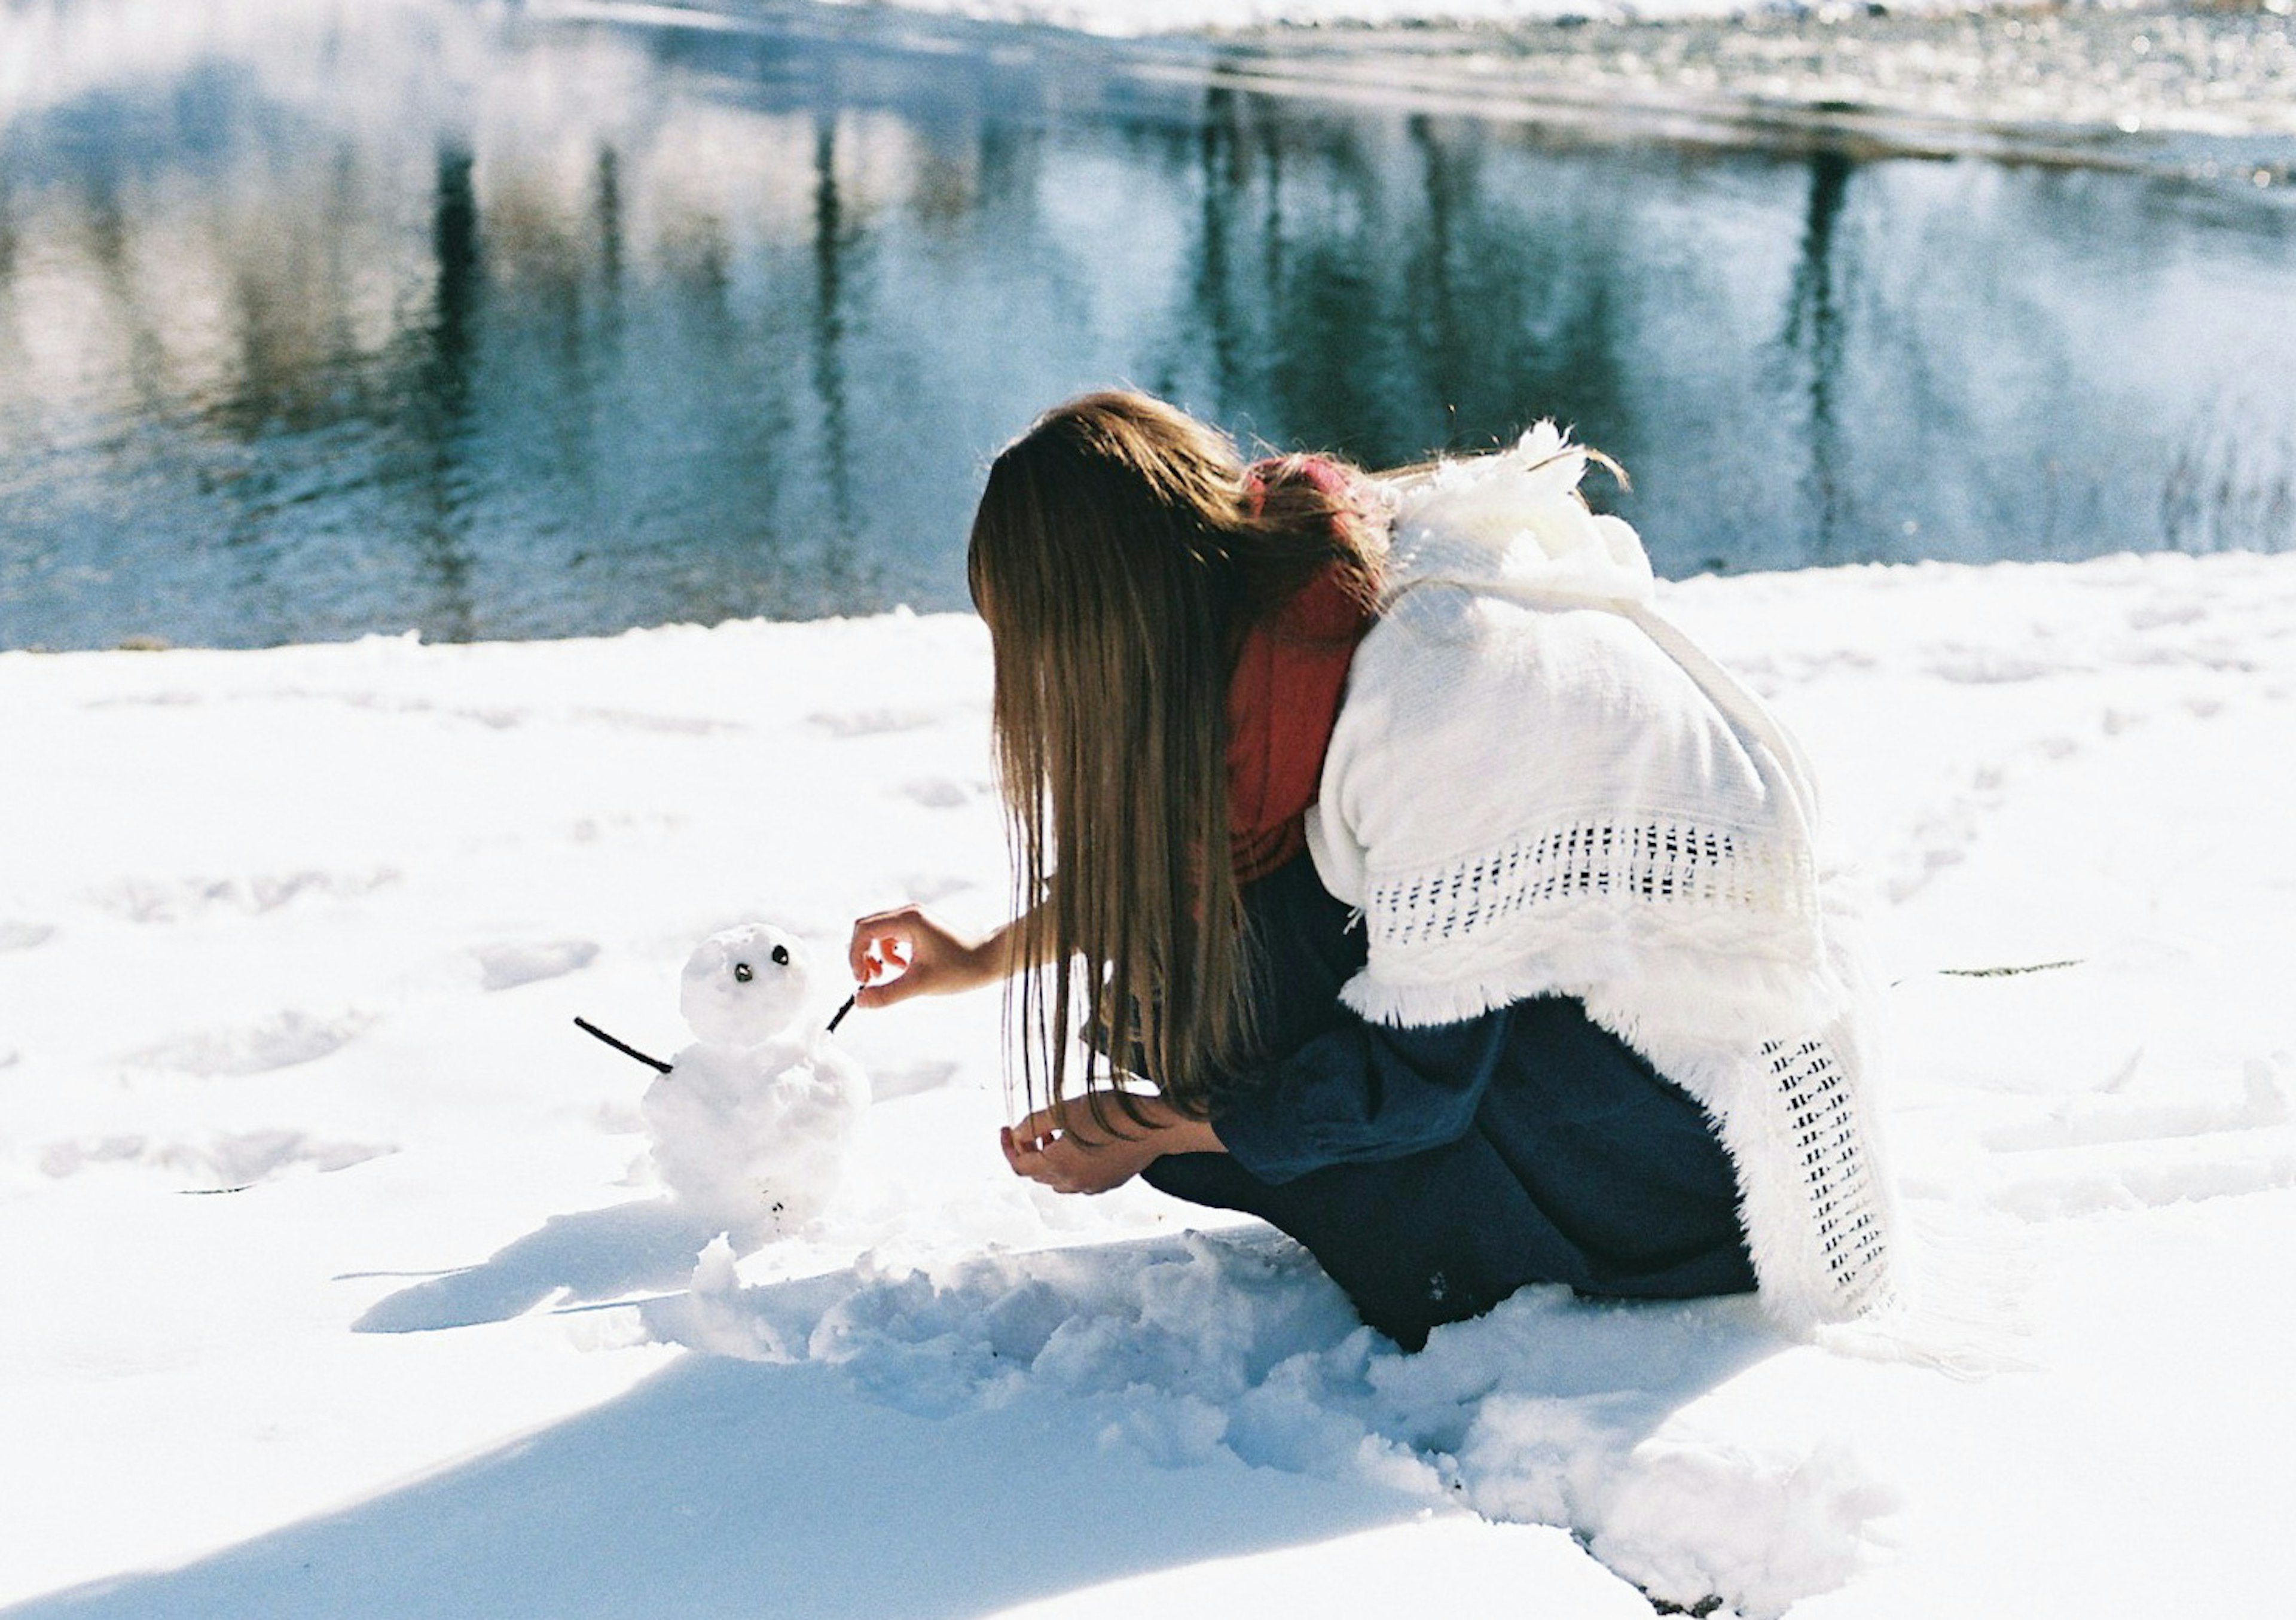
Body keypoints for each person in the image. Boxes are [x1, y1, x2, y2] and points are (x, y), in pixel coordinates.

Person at [848, 391, 1895, 1351]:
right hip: (1600, 1051)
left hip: (1693, 1149)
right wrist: (985, 955)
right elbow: (1194, 838)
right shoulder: (1290, 596)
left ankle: (1465, 1242)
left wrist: (1163, 1129)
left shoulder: (1424, 695)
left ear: (1113, 632)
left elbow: (1420, 1084)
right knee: (1233, 981)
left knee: (1260, 1033)